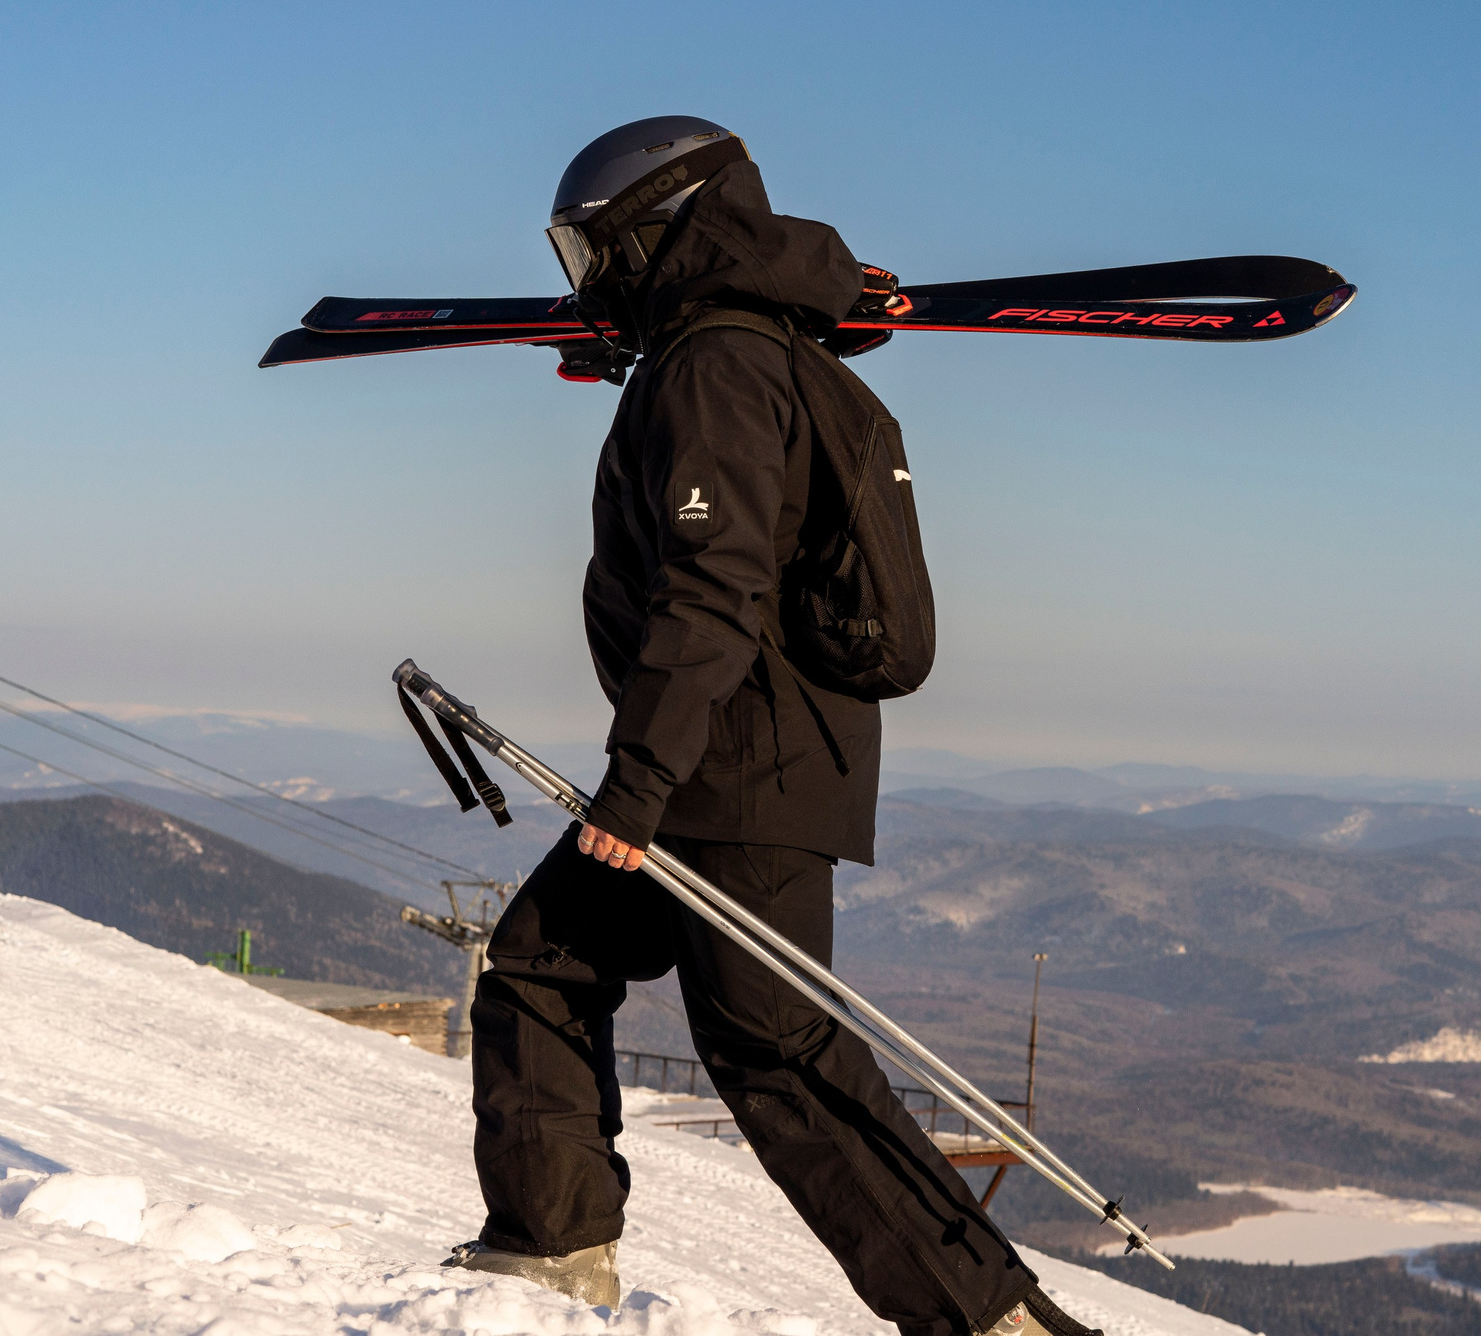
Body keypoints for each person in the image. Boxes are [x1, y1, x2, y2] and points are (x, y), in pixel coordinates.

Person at [444, 118, 1078, 1336]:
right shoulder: (742, 356)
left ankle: (989, 1319)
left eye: (592, 254)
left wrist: (634, 788)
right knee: (544, 961)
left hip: (730, 768)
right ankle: (552, 1242)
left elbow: (712, 585)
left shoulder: (718, 368)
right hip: (744, 760)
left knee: (774, 1052)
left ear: (655, 231)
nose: (584, 282)